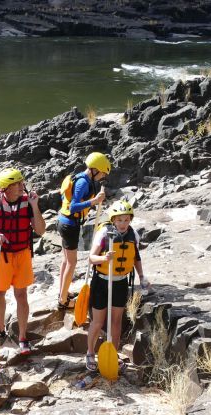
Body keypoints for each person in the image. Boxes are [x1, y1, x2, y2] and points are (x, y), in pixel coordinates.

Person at [0, 167, 46, 355]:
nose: (21, 185)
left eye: (21, 182)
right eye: (17, 183)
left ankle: (23, 337)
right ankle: (0, 329)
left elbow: (41, 230)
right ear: (6, 187)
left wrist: (35, 206)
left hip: (22, 254)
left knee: (21, 295)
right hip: (1, 255)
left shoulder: (28, 202)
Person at [85, 200, 148, 372]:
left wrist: (142, 277)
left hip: (120, 282)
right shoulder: (104, 233)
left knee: (116, 321)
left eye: (126, 220)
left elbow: (136, 258)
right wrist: (104, 258)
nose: (123, 223)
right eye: (119, 220)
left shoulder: (133, 235)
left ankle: (112, 353)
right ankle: (90, 353)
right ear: (113, 220)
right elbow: (91, 258)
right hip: (101, 282)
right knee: (98, 321)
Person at [56, 151, 110, 310]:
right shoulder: (83, 183)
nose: (102, 177)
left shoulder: (80, 177)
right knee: (71, 262)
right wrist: (94, 201)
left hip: (63, 222)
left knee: (66, 261)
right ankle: (63, 301)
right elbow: (73, 207)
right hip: (69, 226)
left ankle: (62, 292)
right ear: (95, 170)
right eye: (102, 173)